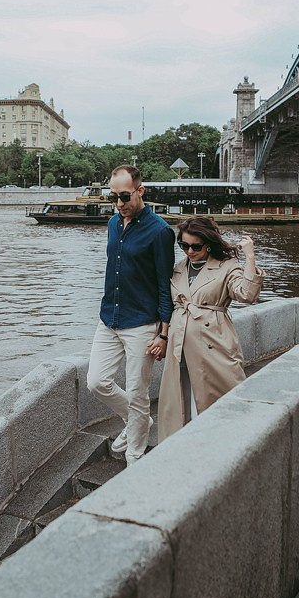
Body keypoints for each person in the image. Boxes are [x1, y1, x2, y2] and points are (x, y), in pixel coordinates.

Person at [87, 165, 175, 465]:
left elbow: (165, 286)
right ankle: (138, 421)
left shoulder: (160, 231)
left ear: (141, 191)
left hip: (141, 323)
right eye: (113, 197)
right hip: (109, 317)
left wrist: (164, 334)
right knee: (97, 382)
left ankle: (135, 458)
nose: (119, 204)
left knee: (139, 394)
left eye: (125, 197)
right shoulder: (113, 223)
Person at [153, 216, 264, 442]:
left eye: (195, 246)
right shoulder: (178, 269)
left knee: (219, 397)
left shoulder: (226, 266)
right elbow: (167, 302)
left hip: (213, 342)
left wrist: (250, 257)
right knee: (180, 399)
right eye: (184, 245)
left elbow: (247, 294)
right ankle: (182, 445)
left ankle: (227, 444)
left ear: (209, 244)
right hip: (179, 343)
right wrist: (162, 336)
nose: (189, 251)